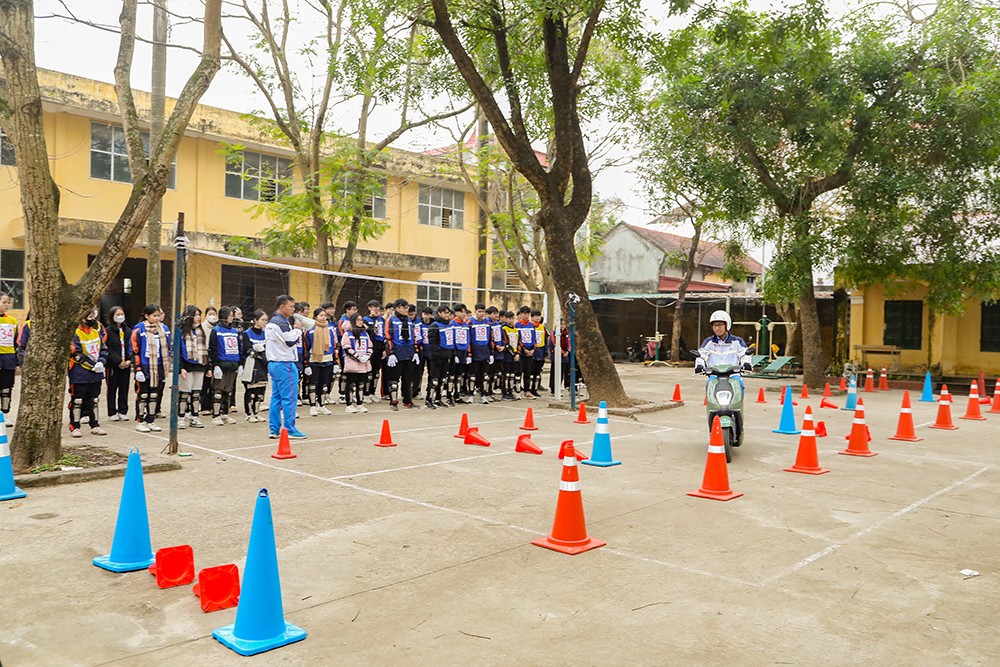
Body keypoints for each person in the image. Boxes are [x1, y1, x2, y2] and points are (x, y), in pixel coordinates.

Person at [265, 295, 307, 439]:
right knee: (289, 397)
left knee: (276, 397)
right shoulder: (280, 322)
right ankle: (290, 429)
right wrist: (298, 329)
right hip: (284, 365)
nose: (293, 309)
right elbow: (289, 341)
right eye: (290, 306)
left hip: (274, 364)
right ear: (282, 307)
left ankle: (274, 429)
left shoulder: (275, 322)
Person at [68, 308, 108, 437]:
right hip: (79, 372)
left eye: (93, 316)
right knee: (78, 400)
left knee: (94, 399)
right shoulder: (75, 333)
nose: (91, 319)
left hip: (96, 372)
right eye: (88, 317)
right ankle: (75, 426)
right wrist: (92, 365)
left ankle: (95, 425)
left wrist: (101, 362)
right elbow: (76, 354)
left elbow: (103, 349)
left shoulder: (96, 332)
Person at [131, 304, 171, 432]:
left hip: (159, 366)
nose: (157, 318)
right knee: (143, 394)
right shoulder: (139, 329)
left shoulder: (164, 328)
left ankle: (151, 419)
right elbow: (133, 350)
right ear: (147, 316)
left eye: (159, 315)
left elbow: (168, 348)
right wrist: (137, 369)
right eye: (154, 316)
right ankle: (140, 420)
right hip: (145, 366)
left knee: (155, 394)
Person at [208, 306, 243, 426]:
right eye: (230, 315)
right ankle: (216, 415)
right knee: (218, 390)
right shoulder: (216, 331)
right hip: (221, 364)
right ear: (224, 316)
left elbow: (239, 347)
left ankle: (225, 413)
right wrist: (215, 365)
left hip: (233, 364)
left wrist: (240, 364)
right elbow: (213, 349)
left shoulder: (234, 331)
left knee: (228, 391)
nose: (232, 318)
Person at [177, 305, 208, 429]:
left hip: (200, 365)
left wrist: (208, 367)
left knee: (196, 393)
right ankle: (180, 417)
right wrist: (181, 367)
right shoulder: (182, 332)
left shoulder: (201, 332)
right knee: (184, 392)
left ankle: (194, 417)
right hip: (187, 365)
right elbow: (177, 351)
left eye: (199, 315)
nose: (198, 318)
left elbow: (206, 350)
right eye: (195, 315)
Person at [385, 298, 417, 410]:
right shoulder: (391, 320)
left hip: (408, 353)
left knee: (408, 379)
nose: (406, 310)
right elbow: (388, 337)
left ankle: (407, 401)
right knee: (394, 379)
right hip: (397, 353)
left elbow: (413, 336)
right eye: (404, 307)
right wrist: (391, 353)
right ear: (398, 308)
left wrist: (415, 351)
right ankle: (393, 401)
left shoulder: (408, 320)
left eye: (407, 308)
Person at [304, 308, 337, 417]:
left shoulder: (330, 330)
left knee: (324, 385)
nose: (323, 318)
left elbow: (334, 346)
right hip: (314, 361)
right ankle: (313, 406)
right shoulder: (310, 331)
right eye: (320, 315)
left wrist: (335, 362)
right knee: (313, 384)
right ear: (315, 317)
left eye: (324, 315)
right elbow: (306, 348)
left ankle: (321, 405)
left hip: (327, 361)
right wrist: (306, 364)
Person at [241, 310, 269, 422]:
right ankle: (249, 413)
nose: (265, 322)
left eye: (266, 320)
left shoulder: (265, 334)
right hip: (252, 365)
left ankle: (256, 413)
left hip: (263, 365)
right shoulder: (247, 333)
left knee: (260, 391)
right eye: (263, 320)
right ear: (255, 320)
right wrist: (259, 354)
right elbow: (248, 349)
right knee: (251, 390)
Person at [340, 313, 372, 413]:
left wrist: (367, 355)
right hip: (352, 363)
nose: (360, 322)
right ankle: (349, 404)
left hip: (364, 363)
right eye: (358, 320)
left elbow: (370, 346)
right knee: (350, 384)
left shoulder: (365, 333)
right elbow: (346, 347)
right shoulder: (348, 334)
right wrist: (357, 357)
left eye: (361, 320)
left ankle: (360, 403)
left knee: (361, 384)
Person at [104, 307, 132, 422]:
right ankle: (112, 411)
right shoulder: (108, 331)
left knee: (124, 388)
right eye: (117, 314)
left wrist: (130, 360)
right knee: (112, 388)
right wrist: (118, 361)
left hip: (126, 364)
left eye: (122, 313)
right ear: (112, 316)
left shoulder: (128, 331)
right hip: (113, 365)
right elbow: (107, 348)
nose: (120, 316)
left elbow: (132, 347)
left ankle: (122, 410)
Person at [0, 293, 20, 423]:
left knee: (7, 388)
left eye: (8, 302)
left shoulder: (12, 321)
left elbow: (15, 342)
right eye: (4, 302)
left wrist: (17, 362)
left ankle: (5, 414)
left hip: (8, 358)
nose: (7, 305)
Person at [362, 300, 386, 404]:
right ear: (369, 308)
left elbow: (385, 334)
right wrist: (373, 319)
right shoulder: (365, 319)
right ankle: (365, 393)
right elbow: (366, 332)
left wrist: (384, 349)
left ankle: (372, 392)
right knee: (369, 372)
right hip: (370, 347)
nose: (375, 309)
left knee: (376, 372)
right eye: (372, 307)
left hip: (379, 347)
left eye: (376, 307)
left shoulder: (382, 320)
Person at [469, 303, 493, 404]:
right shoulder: (471, 322)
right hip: (475, 352)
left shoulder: (487, 323)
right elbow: (468, 338)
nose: (481, 314)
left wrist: (491, 353)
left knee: (485, 376)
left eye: (483, 311)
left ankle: (484, 395)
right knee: (473, 375)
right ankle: (471, 395)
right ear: (475, 311)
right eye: (479, 311)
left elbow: (490, 338)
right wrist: (469, 353)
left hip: (485, 352)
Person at [451, 303, 472, 403]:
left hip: (464, 351)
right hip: (456, 352)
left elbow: (468, 339)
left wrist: (468, 354)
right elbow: (451, 339)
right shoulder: (452, 324)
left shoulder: (465, 324)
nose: (463, 314)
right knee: (452, 375)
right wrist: (454, 353)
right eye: (461, 312)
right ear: (456, 312)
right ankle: (450, 395)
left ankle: (457, 395)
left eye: (465, 312)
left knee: (460, 375)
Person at [514, 306, 536, 399]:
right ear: (521, 314)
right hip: (521, 352)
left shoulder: (531, 326)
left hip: (530, 352)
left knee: (528, 372)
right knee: (518, 372)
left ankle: (527, 390)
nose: (526, 316)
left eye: (527, 314)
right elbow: (518, 339)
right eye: (524, 314)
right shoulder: (517, 325)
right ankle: (517, 390)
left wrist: (533, 350)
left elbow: (534, 339)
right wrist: (524, 349)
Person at [199, 306, 218, 415]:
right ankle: (204, 406)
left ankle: (212, 405)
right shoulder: (202, 327)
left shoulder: (217, 328)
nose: (212, 316)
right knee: (205, 383)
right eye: (210, 314)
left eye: (214, 314)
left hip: (214, 356)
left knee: (214, 384)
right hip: (205, 356)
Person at [501, 310, 521, 401]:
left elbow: (518, 342)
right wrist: (513, 354)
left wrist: (517, 353)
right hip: (507, 355)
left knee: (512, 374)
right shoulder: (504, 329)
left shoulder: (516, 329)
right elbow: (506, 343)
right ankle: (505, 392)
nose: (511, 320)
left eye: (512, 318)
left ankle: (510, 390)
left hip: (515, 354)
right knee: (507, 374)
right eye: (509, 318)